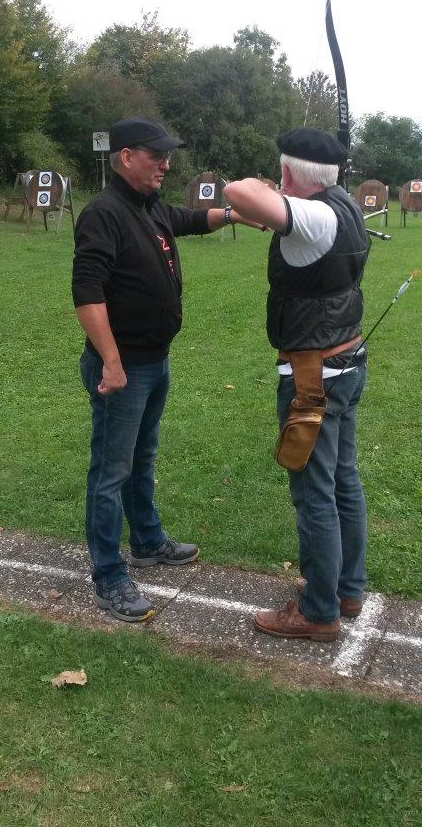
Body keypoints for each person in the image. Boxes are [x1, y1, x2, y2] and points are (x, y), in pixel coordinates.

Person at [72, 116, 251, 622]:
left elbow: (191, 219)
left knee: (141, 458)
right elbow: (87, 294)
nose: (166, 164)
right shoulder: (104, 213)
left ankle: (147, 542)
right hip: (123, 368)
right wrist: (111, 362)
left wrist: (235, 215)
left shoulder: (149, 206)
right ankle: (109, 577)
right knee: (111, 472)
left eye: (168, 156)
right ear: (127, 156)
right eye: (157, 155)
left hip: (154, 360)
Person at [224, 128, 370, 642]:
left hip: (313, 376)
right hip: (344, 362)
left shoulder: (315, 216)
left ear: (287, 172)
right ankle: (347, 590)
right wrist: (280, 197)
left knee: (314, 494)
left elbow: (236, 192)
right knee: (343, 480)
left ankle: (318, 611)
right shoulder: (344, 205)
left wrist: (268, 190)